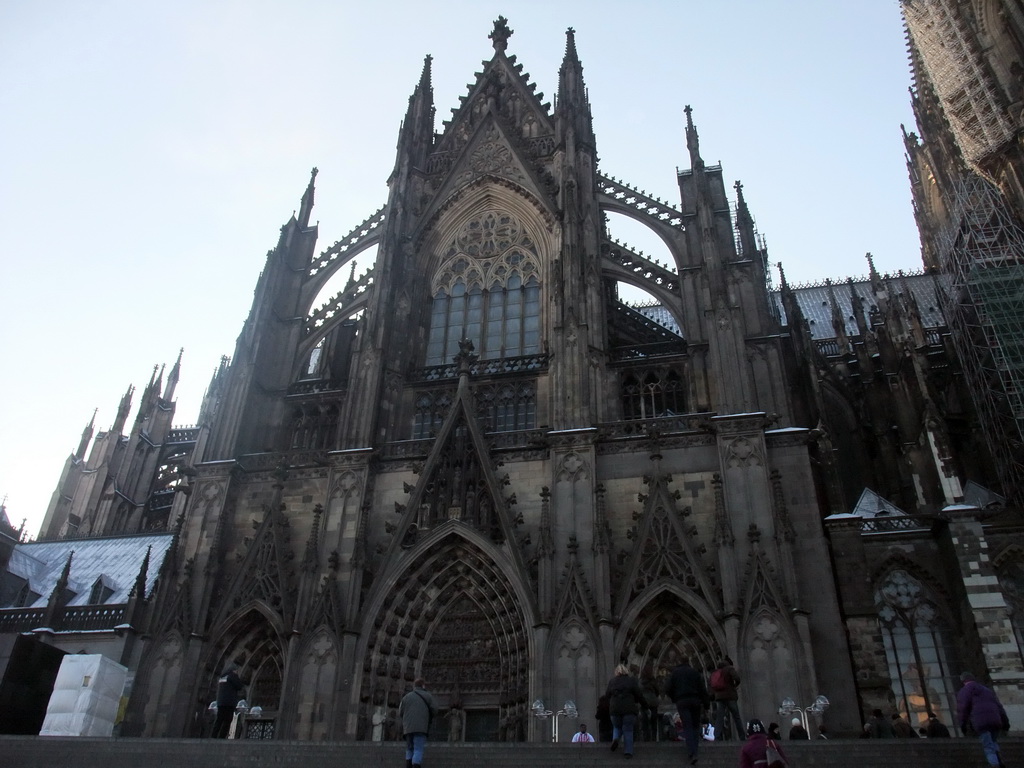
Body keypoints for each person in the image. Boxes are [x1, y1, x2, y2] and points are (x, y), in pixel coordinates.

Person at [957, 672, 1010, 768]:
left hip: (980, 722)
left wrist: (963, 725)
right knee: (993, 742)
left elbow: (963, 709)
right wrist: (1006, 722)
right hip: (995, 721)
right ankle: (999, 760)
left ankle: (995, 764)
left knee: (988, 746)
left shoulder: (964, 691)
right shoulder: (986, 690)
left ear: (963, 681)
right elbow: (999, 707)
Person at [666, 656, 709, 766]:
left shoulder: (675, 673)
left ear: (679, 662)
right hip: (695, 701)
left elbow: (668, 688)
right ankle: (695, 749)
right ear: (688, 662)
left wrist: (674, 698)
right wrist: (706, 704)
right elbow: (702, 689)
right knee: (695, 726)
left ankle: (692, 752)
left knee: (687, 726)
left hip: (682, 701)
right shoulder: (694, 672)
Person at [606, 663, 645, 758]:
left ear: (616, 672)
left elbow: (607, 695)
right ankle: (628, 752)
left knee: (617, 726)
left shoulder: (612, 681)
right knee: (628, 729)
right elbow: (639, 695)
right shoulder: (631, 681)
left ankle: (615, 738)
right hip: (629, 710)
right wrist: (645, 706)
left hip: (615, 710)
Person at [399, 678, 437, 768]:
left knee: (409, 748)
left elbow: (400, 712)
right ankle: (416, 766)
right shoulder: (428, 696)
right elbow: (435, 710)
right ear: (423, 685)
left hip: (408, 728)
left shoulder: (406, 697)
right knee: (418, 749)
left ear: (414, 686)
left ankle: (408, 766)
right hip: (421, 727)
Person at [709, 658, 743, 741]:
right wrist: (734, 685)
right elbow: (737, 678)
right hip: (730, 696)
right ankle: (742, 736)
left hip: (719, 697)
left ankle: (717, 736)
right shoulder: (729, 669)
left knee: (719, 717)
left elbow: (711, 685)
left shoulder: (715, 672)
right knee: (736, 716)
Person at [212, 663, 245, 738]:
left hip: (220, 702)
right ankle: (221, 737)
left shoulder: (222, 677)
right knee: (227, 721)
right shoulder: (232, 676)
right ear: (234, 670)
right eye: (236, 670)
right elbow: (239, 686)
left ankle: (213, 736)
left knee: (219, 720)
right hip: (229, 702)